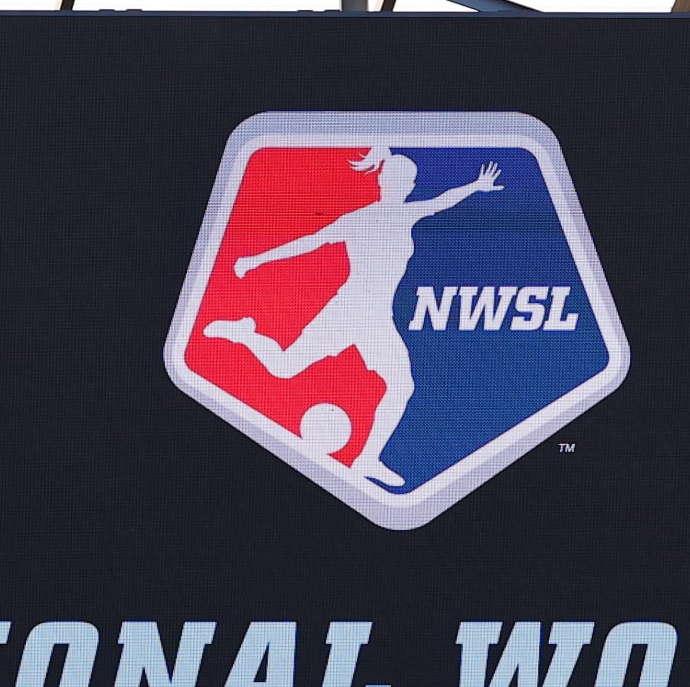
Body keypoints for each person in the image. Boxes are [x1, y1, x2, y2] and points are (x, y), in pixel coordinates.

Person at [204, 147, 503, 489]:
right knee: (284, 368)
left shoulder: (405, 214)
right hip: (347, 310)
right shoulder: (359, 218)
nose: (396, 184)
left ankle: (367, 459)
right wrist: (256, 260)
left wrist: (475, 186)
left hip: (375, 317)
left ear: (410, 184)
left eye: (403, 179)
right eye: (391, 177)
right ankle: (245, 334)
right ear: (381, 181)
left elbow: (441, 201)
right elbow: (309, 242)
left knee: (402, 386)